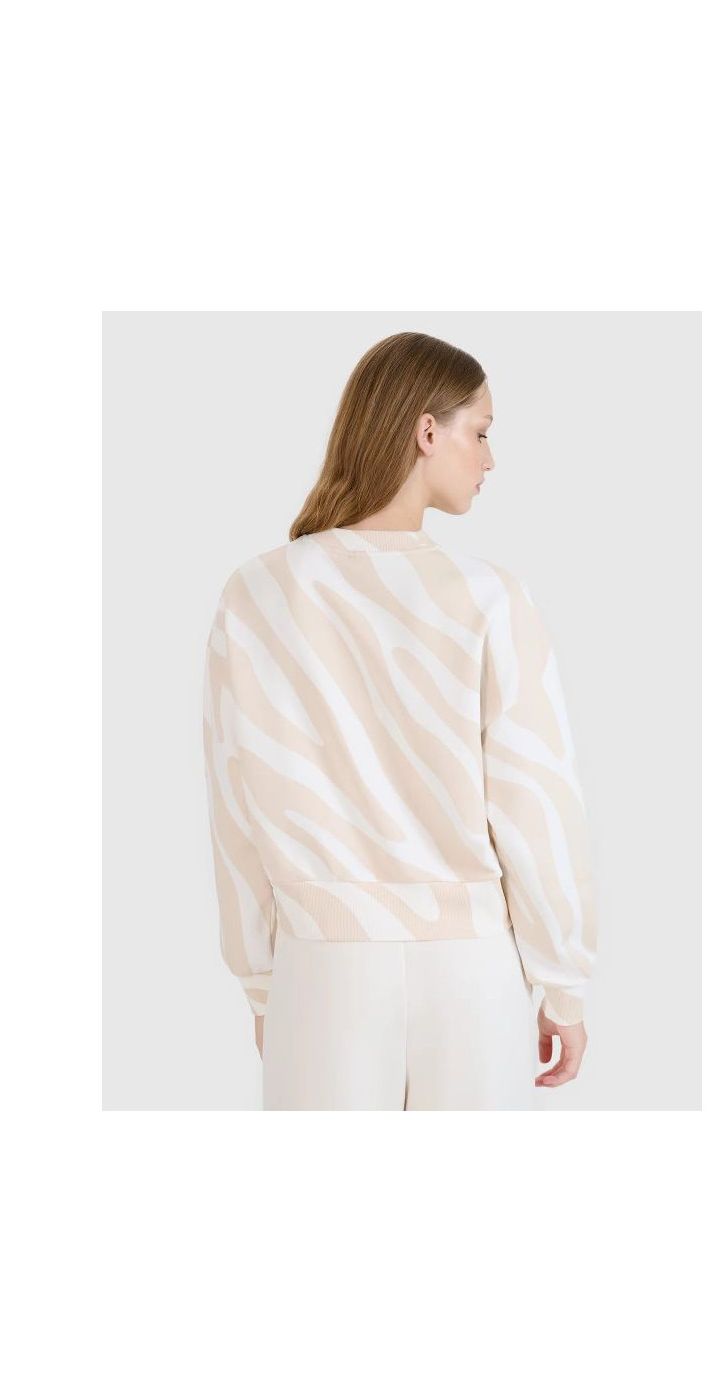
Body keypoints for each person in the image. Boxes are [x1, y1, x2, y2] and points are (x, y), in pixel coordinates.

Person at [202, 331, 598, 1109]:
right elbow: (537, 802)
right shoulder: (488, 597)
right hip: (473, 971)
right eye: (480, 433)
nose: (490, 459)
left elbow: (236, 809)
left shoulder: (257, 594)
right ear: (426, 432)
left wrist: (262, 983)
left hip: (323, 969)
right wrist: (563, 982)